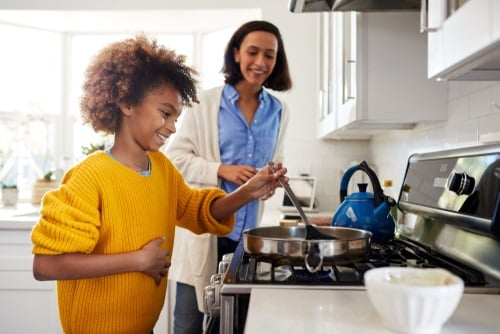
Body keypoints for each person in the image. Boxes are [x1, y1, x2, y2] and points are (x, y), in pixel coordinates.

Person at [29, 34, 288, 334]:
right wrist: (137, 260)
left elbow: (197, 211)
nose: (173, 127)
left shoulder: (162, 168)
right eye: (165, 113)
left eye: (176, 117)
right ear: (126, 103)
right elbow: (46, 265)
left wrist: (249, 191)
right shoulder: (90, 177)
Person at [165, 20, 292, 333]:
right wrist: (221, 170)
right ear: (237, 54)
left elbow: (274, 164)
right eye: (252, 52)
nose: (260, 62)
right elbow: (174, 159)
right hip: (202, 236)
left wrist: (270, 183)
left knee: (237, 326)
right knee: (189, 326)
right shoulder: (203, 104)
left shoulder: (280, 111)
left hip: (248, 243)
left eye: (269, 55)